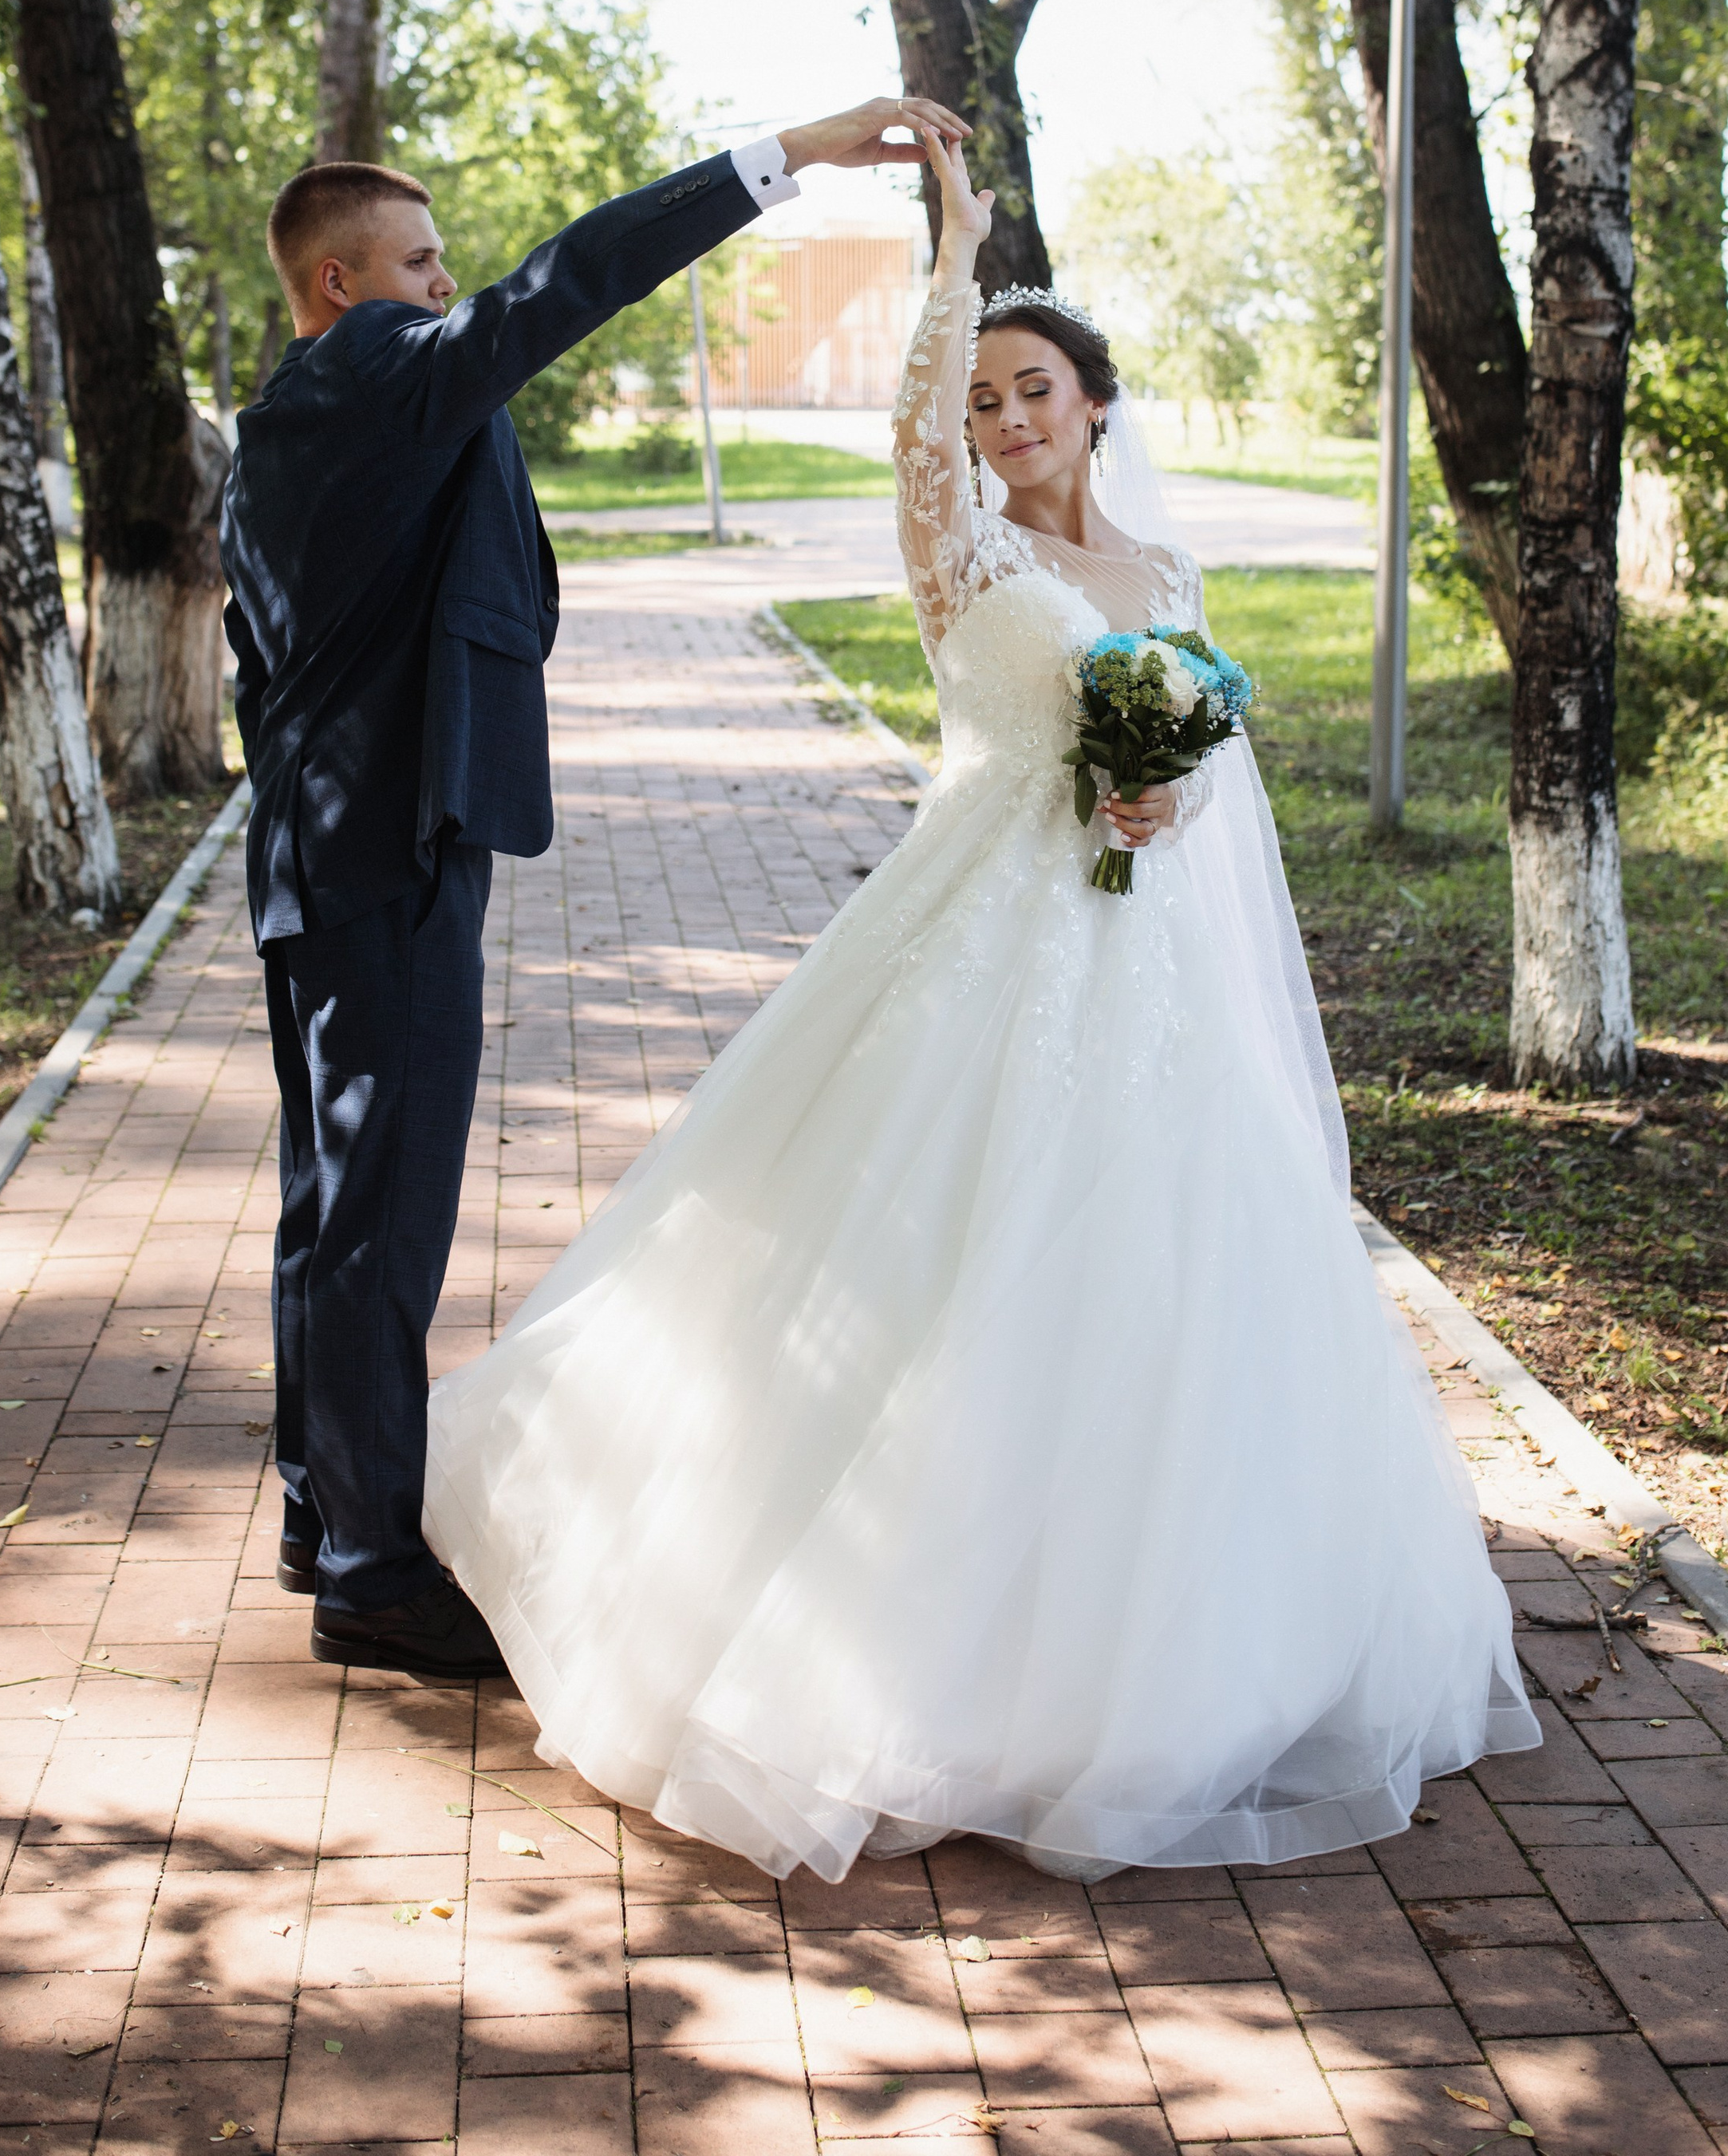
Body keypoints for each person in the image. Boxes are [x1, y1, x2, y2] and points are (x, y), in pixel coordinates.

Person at [422, 123, 1539, 1880]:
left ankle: (1152, 1659)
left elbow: (1209, 780)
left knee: (1160, 1282)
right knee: (924, 1251)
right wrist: (954, 247)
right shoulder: (968, 556)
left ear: (1095, 407)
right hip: (973, 939)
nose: (1006, 422)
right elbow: (913, 437)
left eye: (1035, 393)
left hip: (1143, 974)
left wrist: (1164, 798)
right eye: (982, 402)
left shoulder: (1164, 581)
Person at [220, 97, 965, 1682]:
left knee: (324, 1209)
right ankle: (370, 1575)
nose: (448, 286)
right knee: (380, 1222)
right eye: (420, 264)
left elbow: (261, 668)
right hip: (389, 858)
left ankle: (321, 1508)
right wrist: (790, 154)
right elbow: (569, 280)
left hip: (309, 855)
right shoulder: (385, 370)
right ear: (342, 285)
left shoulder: (279, 420)